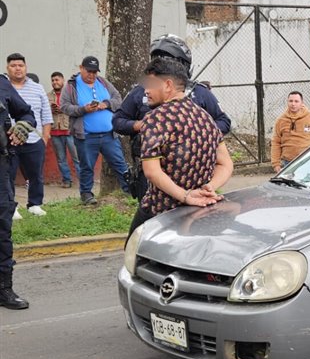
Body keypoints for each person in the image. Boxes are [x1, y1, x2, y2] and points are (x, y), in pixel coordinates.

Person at [113, 34, 231, 199]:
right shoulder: (140, 92)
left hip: (193, 174)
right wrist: (139, 125)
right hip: (151, 176)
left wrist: (193, 132)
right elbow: (118, 121)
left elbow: (224, 122)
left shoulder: (200, 93)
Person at [127, 57, 233, 239]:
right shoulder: (205, 117)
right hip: (199, 212)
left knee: (137, 256)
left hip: (160, 213)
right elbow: (226, 164)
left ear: (167, 85)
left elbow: (152, 172)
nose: (146, 91)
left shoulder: (156, 119)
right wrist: (209, 188)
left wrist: (185, 196)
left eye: (151, 84)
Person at [60, 55, 129, 205]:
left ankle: (130, 191)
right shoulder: (71, 86)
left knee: (120, 163)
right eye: (88, 71)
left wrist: (107, 103)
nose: (91, 75)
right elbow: (64, 106)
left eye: (94, 72)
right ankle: (86, 195)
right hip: (86, 135)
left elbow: (118, 99)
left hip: (109, 135)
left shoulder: (103, 82)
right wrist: (83, 109)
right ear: (81, 68)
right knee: (87, 166)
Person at [0, 76, 36, 309]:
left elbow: (27, 113)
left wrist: (23, 126)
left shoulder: (2, 84)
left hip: (1, 168)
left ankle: (4, 288)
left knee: (2, 228)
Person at [4, 53, 51, 217]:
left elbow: (46, 115)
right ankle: (12, 207)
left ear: (26, 68)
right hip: (9, 141)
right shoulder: (4, 88)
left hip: (34, 140)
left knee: (36, 174)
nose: (17, 68)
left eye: (20, 65)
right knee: (8, 175)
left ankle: (35, 204)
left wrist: (44, 138)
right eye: (13, 65)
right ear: (7, 68)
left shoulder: (37, 88)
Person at [271, 91, 310, 173]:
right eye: (291, 101)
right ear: (287, 102)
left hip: (309, 161)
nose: (293, 104)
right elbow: (276, 142)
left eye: (296, 101)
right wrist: (276, 164)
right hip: (288, 163)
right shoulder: (281, 120)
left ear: (302, 103)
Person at [47, 72, 80, 188]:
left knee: (77, 157)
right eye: (53, 80)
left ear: (62, 80)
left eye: (57, 80)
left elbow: (77, 109)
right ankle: (67, 180)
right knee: (61, 159)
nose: (55, 82)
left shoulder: (70, 94)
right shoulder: (47, 96)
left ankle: (83, 181)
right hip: (55, 131)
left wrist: (63, 109)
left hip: (69, 130)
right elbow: (44, 112)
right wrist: (51, 109)